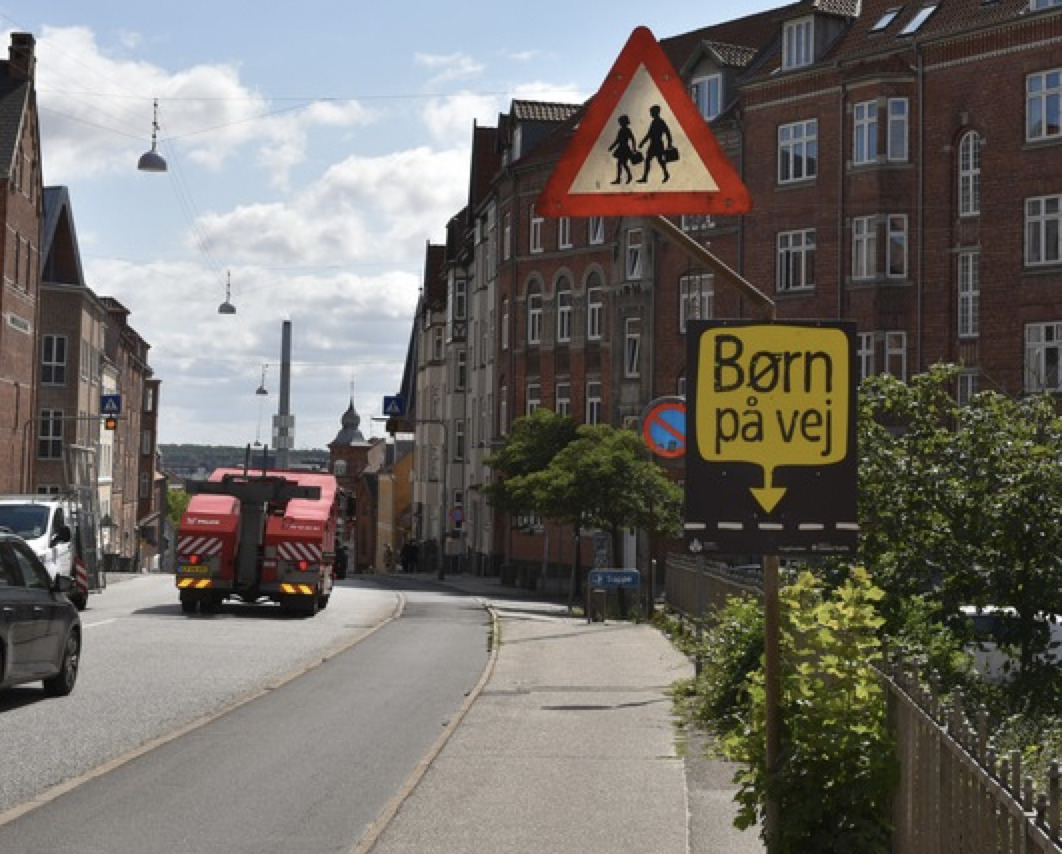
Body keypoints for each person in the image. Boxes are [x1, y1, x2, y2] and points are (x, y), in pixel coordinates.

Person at [637, 104, 674, 184]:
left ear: (656, 112)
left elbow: (667, 132)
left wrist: (669, 143)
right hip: (653, 144)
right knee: (650, 160)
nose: (651, 114)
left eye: (652, 112)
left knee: (658, 161)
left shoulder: (660, 122)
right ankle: (646, 177)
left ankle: (664, 174)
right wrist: (642, 142)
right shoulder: (653, 122)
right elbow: (649, 134)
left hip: (658, 144)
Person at [607, 114, 637, 184]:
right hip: (621, 148)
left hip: (625, 149)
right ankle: (624, 178)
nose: (620, 123)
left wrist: (634, 148)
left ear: (624, 122)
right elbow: (617, 140)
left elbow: (632, 139)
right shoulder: (621, 130)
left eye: (621, 122)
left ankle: (625, 177)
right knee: (621, 164)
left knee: (622, 164)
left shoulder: (627, 130)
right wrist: (612, 146)